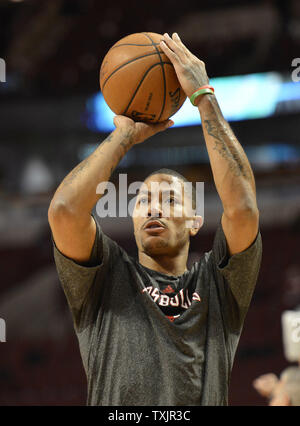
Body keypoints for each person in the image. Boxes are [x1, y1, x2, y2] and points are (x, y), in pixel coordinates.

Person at [48, 33, 262, 406]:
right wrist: (125, 136)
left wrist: (204, 98)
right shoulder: (106, 278)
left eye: (168, 199)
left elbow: (242, 208)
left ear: (195, 221)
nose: (152, 207)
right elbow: (65, 212)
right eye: (143, 199)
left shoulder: (219, 284)